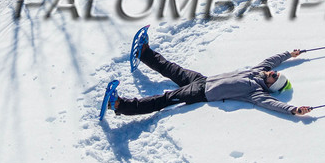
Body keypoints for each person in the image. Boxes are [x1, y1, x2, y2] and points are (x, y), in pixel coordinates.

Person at [112, 37, 313, 118]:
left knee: (164, 99)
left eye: (274, 76)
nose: (272, 72)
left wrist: (293, 110)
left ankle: (122, 106)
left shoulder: (256, 93)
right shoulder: (258, 71)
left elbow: (272, 105)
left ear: (272, 85)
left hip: (202, 92)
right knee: (173, 69)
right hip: (203, 80)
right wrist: (290, 54)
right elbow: (271, 60)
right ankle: (145, 53)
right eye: (275, 73)